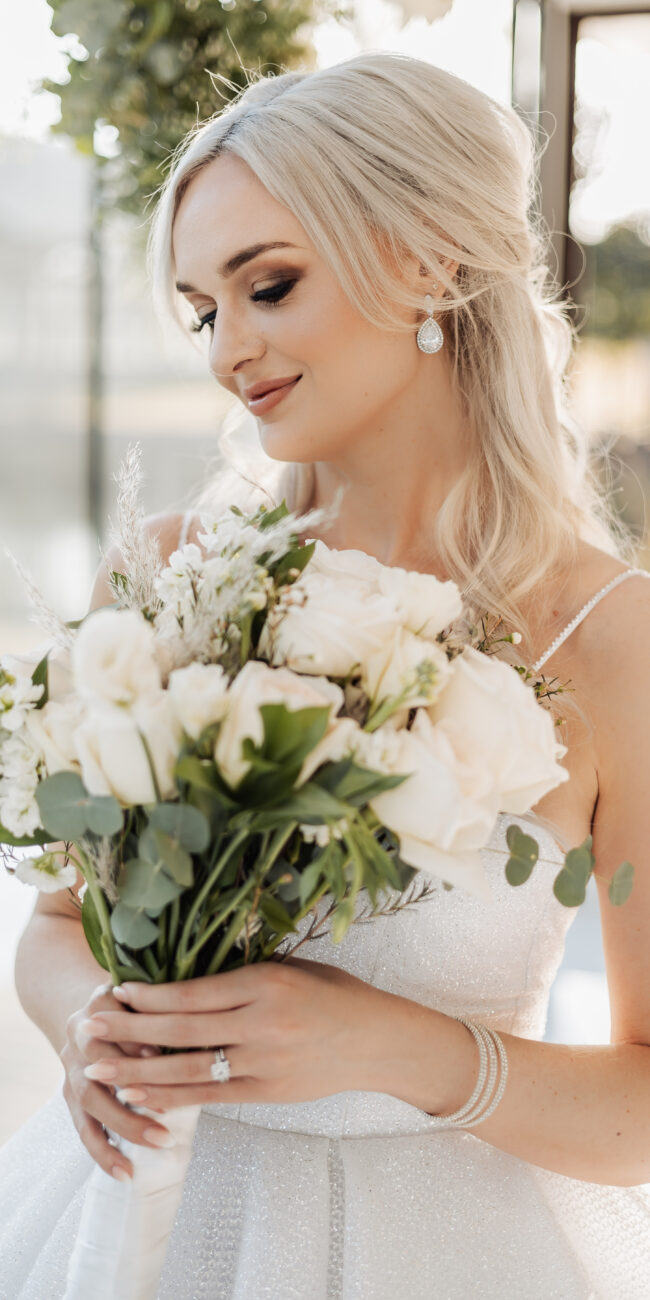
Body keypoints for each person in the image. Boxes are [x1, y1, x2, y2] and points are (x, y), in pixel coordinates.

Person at [1, 51, 649, 1300]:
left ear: (432, 263)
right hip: (148, 1227)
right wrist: (87, 1026)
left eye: (269, 285)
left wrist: (399, 1049)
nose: (226, 350)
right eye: (203, 310)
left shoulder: (611, 638)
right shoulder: (168, 580)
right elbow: (56, 930)